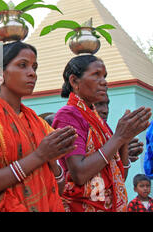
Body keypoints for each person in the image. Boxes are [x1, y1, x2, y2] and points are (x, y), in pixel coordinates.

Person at [0, 41, 78, 212]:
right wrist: (40, 156)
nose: (32, 73)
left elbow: (57, 188)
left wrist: (54, 162)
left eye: (34, 67)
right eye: (23, 65)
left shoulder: (37, 123)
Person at [53, 55, 151, 212]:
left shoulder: (99, 121)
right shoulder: (68, 115)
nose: (104, 82)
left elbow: (119, 177)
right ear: (74, 81)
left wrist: (124, 140)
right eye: (96, 75)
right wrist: (119, 137)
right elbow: (79, 173)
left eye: (104, 76)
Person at [94, 94, 144, 162]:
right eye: (99, 104)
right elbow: (82, 170)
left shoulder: (107, 135)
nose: (106, 111)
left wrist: (123, 151)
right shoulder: (79, 131)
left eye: (107, 105)